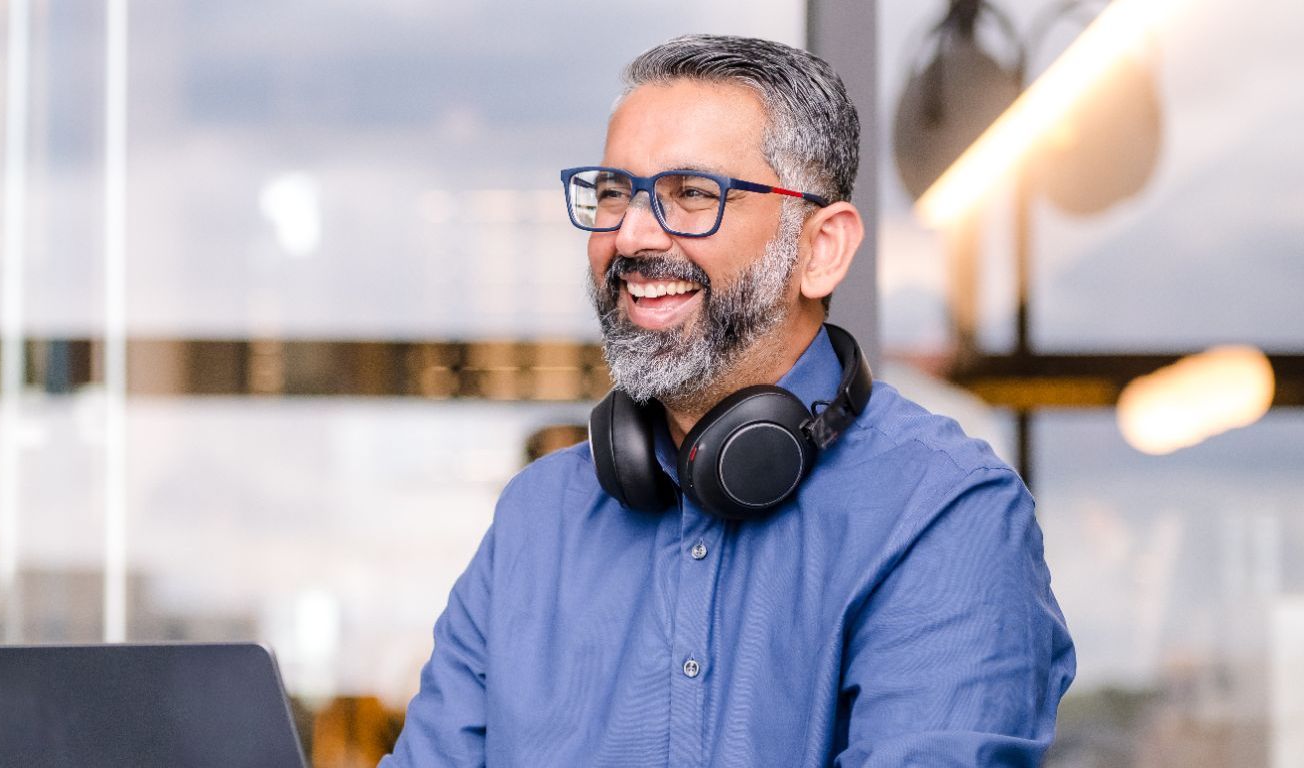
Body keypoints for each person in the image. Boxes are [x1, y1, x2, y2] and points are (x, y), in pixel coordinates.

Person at [383, 35, 1074, 766]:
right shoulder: (535, 521)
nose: (632, 234)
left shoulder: (944, 513)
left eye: (692, 195)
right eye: (615, 193)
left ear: (822, 250)